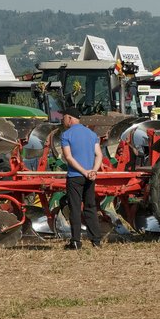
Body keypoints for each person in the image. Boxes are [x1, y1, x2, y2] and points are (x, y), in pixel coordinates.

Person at [58, 106, 104, 249]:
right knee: (90, 207)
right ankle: (96, 241)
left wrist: (83, 171)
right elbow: (99, 155)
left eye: (64, 117)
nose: (63, 120)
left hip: (75, 177)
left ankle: (76, 242)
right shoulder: (92, 134)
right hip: (90, 177)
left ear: (69, 118)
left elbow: (68, 157)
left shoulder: (66, 135)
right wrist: (93, 171)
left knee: (75, 209)